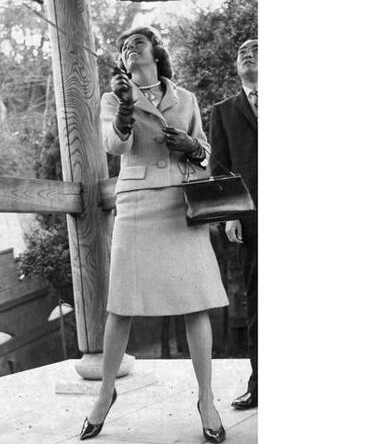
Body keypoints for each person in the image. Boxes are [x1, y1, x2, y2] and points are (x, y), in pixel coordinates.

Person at [79, 26, 229, 443]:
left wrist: (190, 145)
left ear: (155, 53)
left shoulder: (188, 100)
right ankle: (105, 394)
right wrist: (127, 109)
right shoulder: (112, 99)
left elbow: (207, 156)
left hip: (181, 205)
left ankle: (207, 398)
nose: (129, 47)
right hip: (137, 204)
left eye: (138, 42)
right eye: (124, 47)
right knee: (121, 306)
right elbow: (115, 146)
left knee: (196, 304)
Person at [209, 38, 258, 410]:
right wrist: (228, 214)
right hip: (252, 219)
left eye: (258, 48)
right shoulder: (223, 112)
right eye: (242, 51)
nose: (248, 54)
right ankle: (262, 386)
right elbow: (219, 168)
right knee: (260, 304)